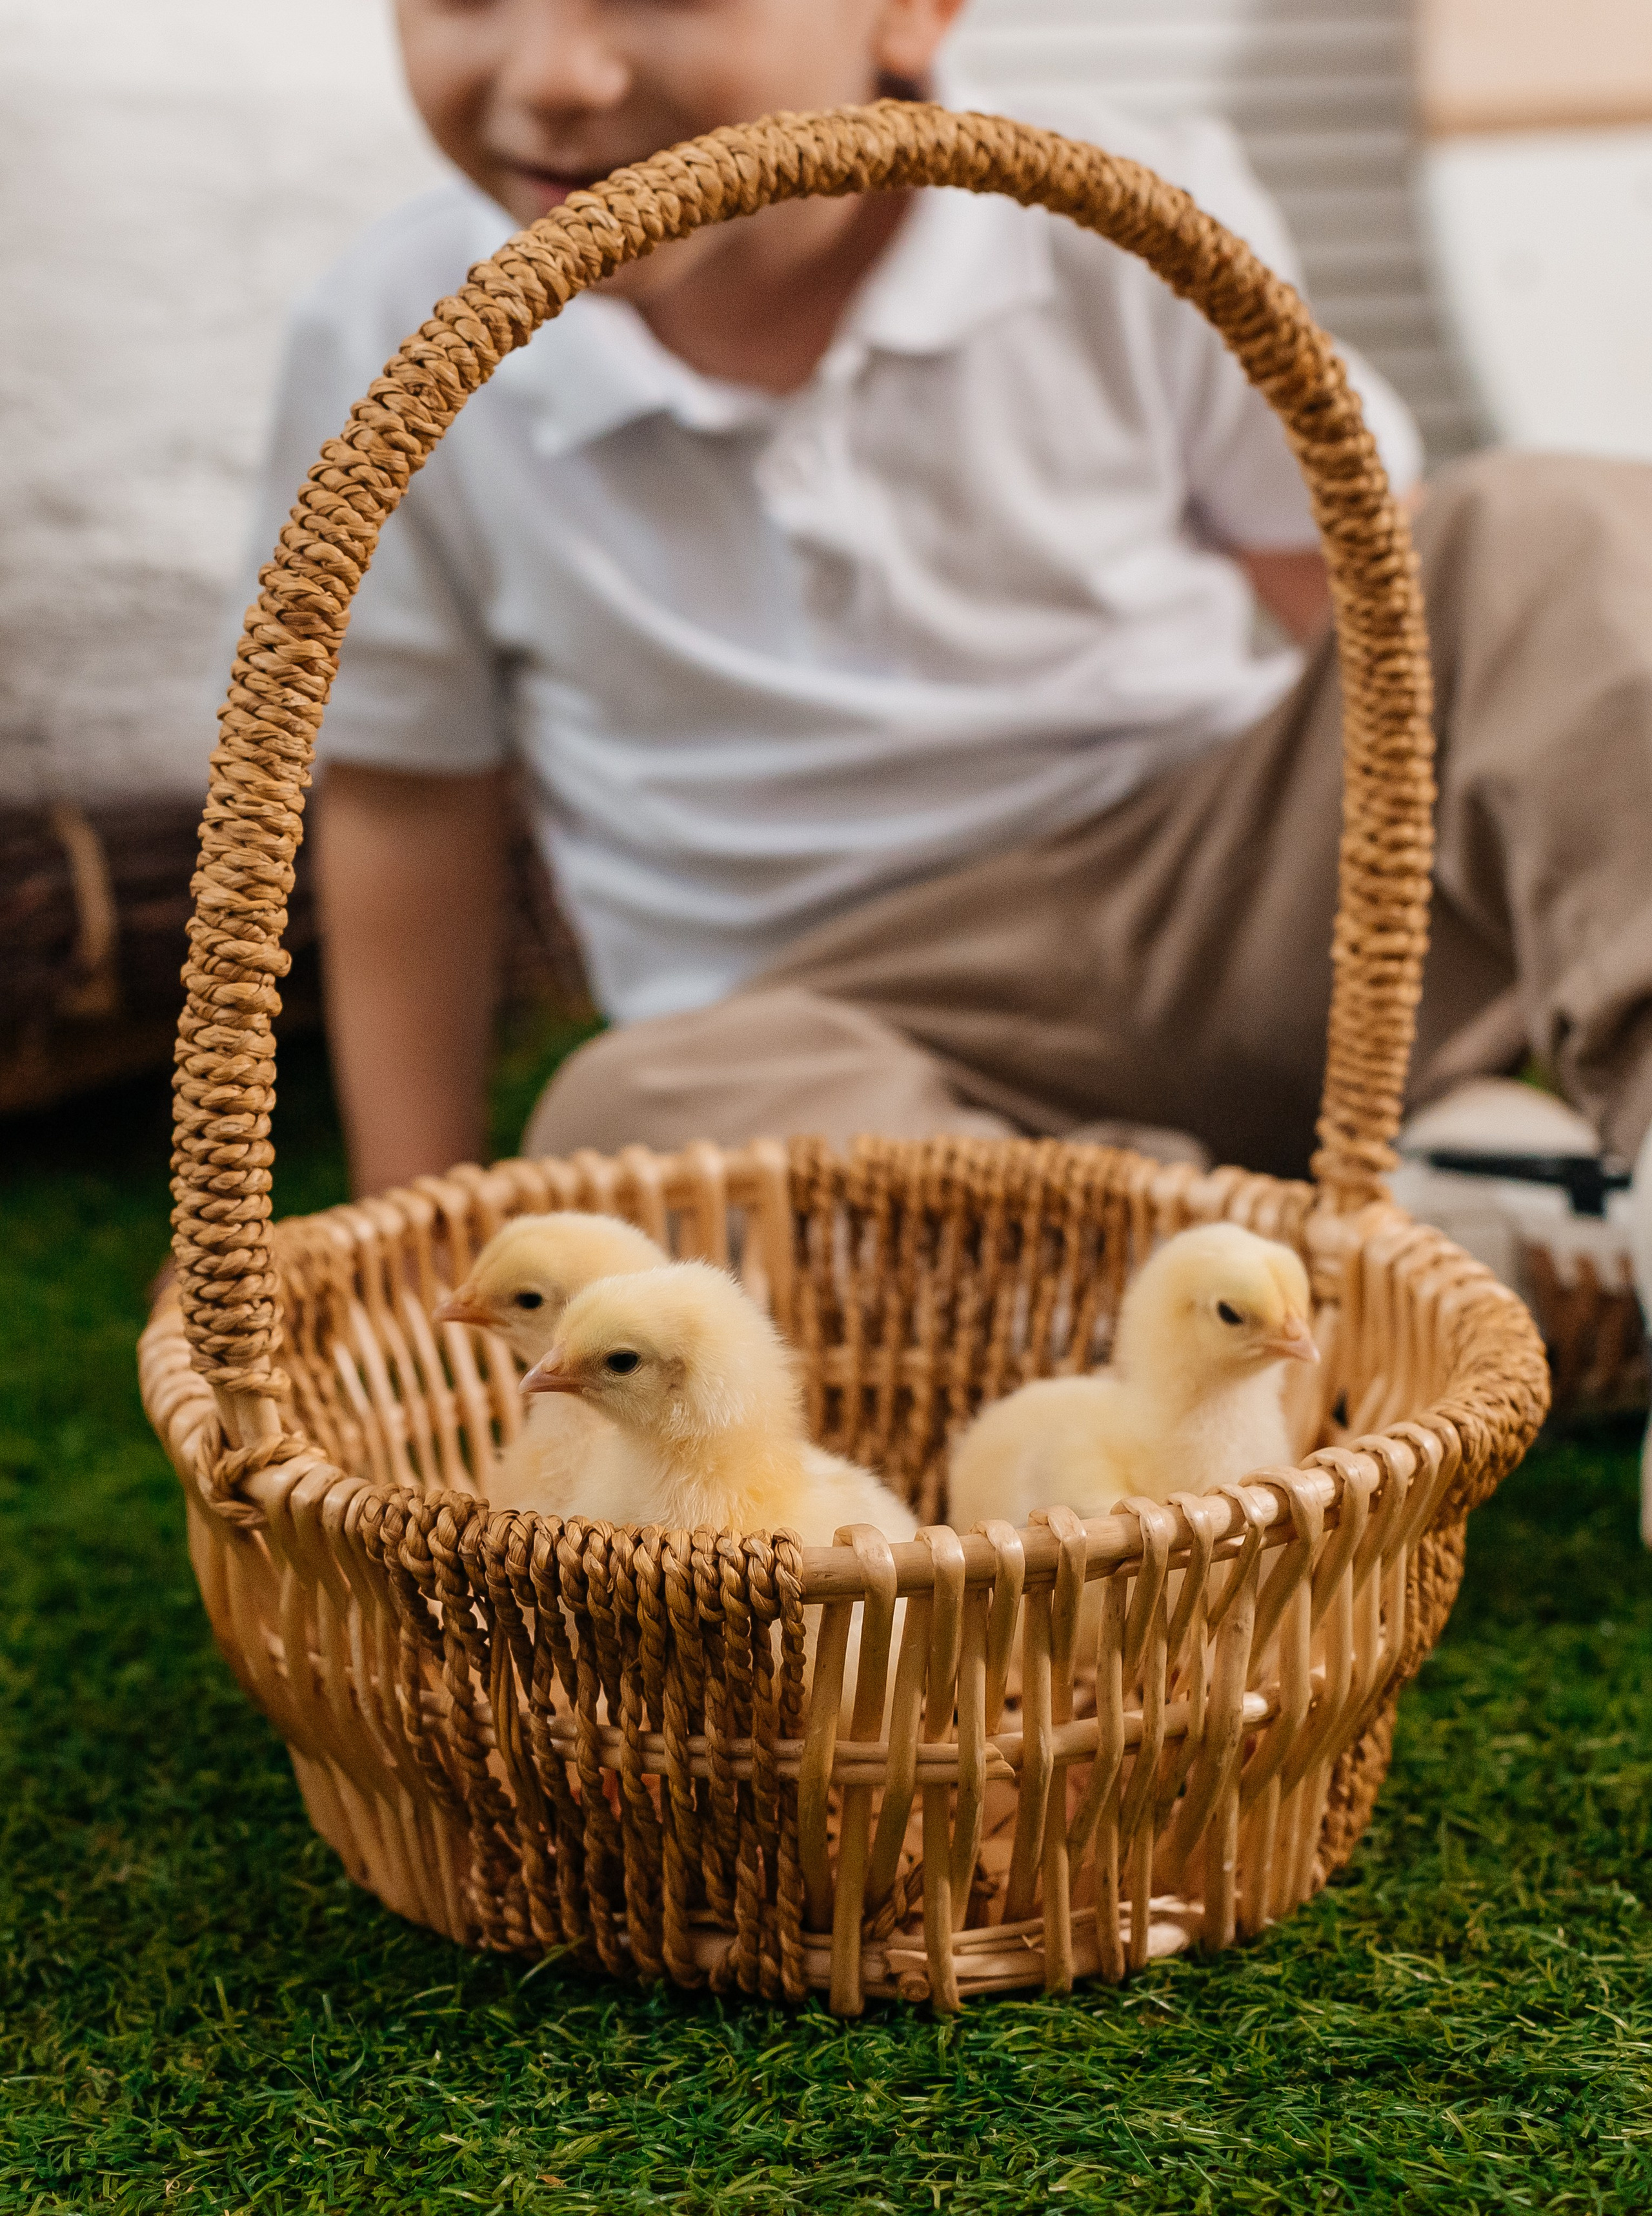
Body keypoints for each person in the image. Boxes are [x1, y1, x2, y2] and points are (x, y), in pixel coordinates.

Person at [245, 0, 1652, 1512]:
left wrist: (1502, 774)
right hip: (836, 1034)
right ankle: (1378, 1258)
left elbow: (1380, 610)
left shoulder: (1117, 217)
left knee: (1547, 533)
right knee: (626, 1119)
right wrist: (413, 1235)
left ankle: (1524, 1186)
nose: (550, 78)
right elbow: (407, 798)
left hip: (1220, 893)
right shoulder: (395, 337)